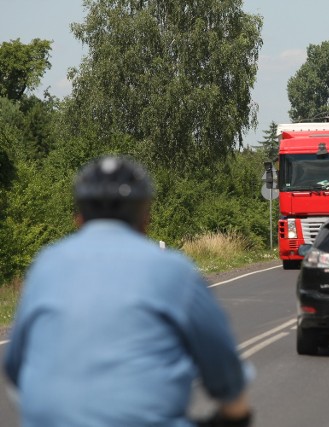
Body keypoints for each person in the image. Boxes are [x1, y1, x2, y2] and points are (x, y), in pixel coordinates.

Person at [3, 155, 253, 427]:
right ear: (145, 217)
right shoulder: (173, 271)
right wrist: (234, 412)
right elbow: (223, 365)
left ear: (79, 218)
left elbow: (15, 367)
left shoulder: (46, 265)